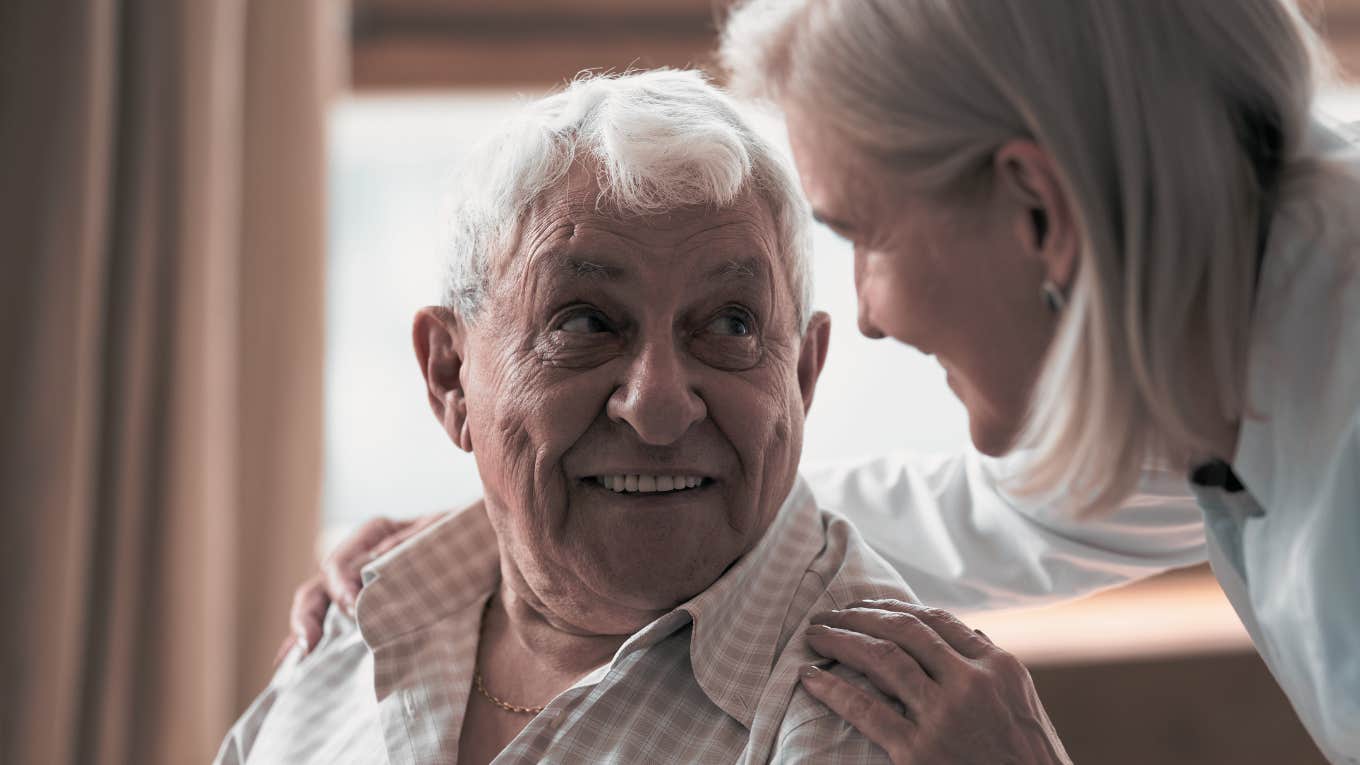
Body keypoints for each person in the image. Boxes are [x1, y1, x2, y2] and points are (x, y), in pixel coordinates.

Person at [292, 1, 1360, 762]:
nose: (872, 315)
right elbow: (981, 518)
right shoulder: (1227, 355)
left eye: (867, 236)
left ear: (1039, 213)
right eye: (584, 325)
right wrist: (526, 497)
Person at [218, 69, 1070, 765]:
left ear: (804, 373)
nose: (659, 405)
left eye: (731, 324)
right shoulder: (358, 623)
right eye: (584, 322)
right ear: (449, 375)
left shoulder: (867, 725)